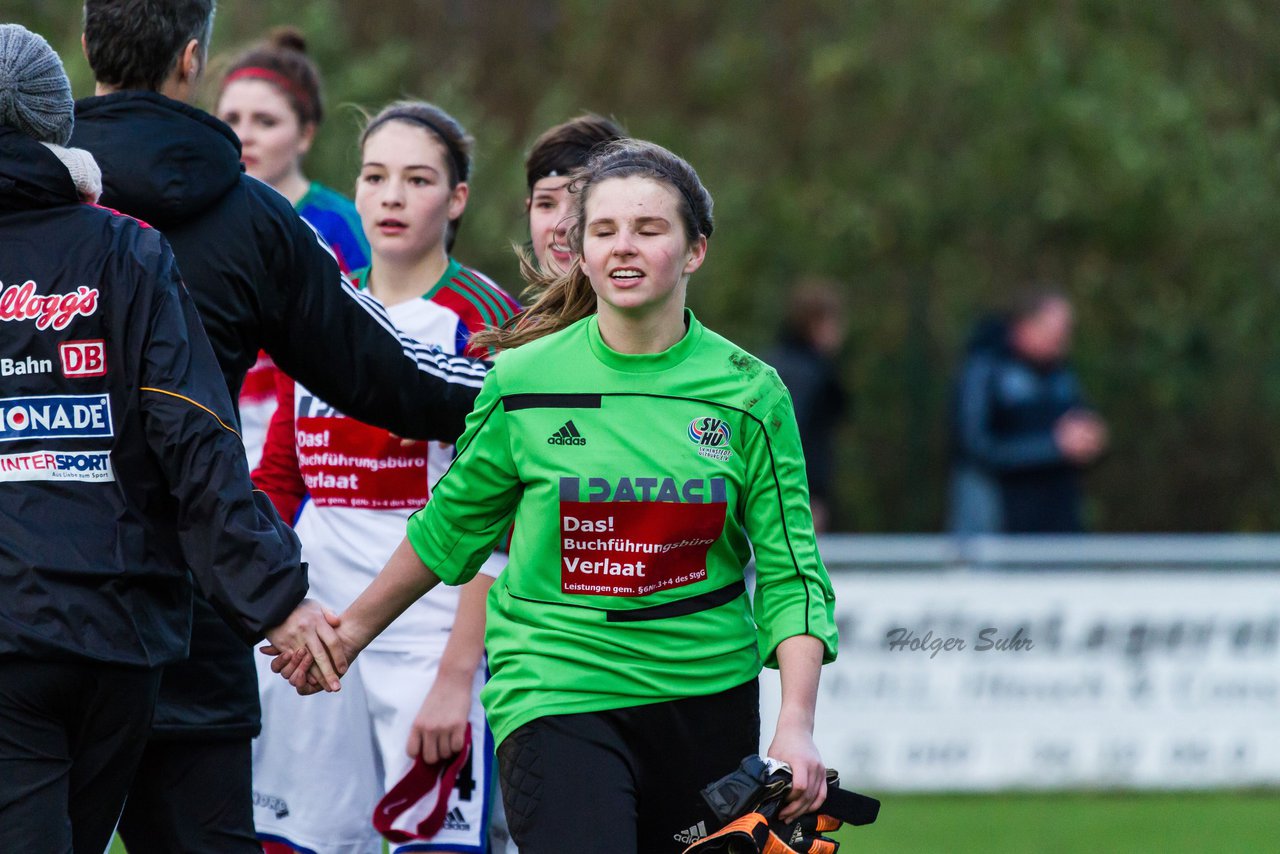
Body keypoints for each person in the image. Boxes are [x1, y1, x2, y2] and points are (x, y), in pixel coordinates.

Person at [274, 140, 839, 854]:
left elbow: (793, 575)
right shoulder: (522, 380)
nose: (623, 248)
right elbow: (450, 529)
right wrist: (350, 634)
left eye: (649, 229)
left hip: (707, 701)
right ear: (581, 248)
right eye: (603, 231)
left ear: (695, 250)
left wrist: (796, 722)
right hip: (555, 688)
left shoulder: (751, 393)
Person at [71, 3, 488, 850]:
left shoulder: (30, 215)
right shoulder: (252, 216)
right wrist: (542, 382)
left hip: (41, 603)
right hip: (196, 601)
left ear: (85, 48)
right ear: (193, 60)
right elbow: (386, 371)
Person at [0, 24, 341, 853]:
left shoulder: (131, 248)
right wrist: (277, 602)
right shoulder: (128, 250)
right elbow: (197, 439)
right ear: (58, 124)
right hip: (117, 639)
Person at [251, 101, 519, 854]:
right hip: (311, 627)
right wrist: (274, 600)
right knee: (294, 842)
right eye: (375, 176)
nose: (392, 196)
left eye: (418, 178)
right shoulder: (321, 299)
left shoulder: (487, 319)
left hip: (429, 634)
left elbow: (498, 514)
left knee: (433, 843)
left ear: (457, 197)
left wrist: (458, 675)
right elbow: (278, 475)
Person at [216, 27, 371, 468]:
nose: (245, 135)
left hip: (314, 442)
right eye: (231, 119)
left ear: (305, 134)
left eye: (266, 122)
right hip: (221, 432)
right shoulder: (198, 218)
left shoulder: (341, 223)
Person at [948, 289, 1108, 534]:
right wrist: (1053, 447)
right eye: (1056, 331)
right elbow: (976, 447)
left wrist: (1090, 440)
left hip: (1058, 530)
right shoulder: (985, 370)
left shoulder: (1062, 375)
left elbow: (1081, 428)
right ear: (1025, 326)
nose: (1064, 340)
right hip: (998, 530)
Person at [765, 279, 850, 532]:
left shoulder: (775, 364)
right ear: (815, 324)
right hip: (798, 490)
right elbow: (792, 436)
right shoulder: (807, 374)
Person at [524, 113, 625, 275]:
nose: (561, 225)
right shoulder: (497, 300)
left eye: (582, 205)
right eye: (546, 204)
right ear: (529, 209)